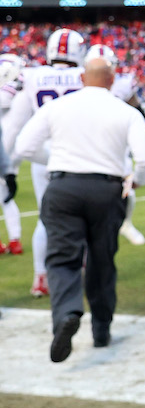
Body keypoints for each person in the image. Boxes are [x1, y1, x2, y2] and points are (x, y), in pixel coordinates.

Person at [14, 55, 145, 361]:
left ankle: (66, 313)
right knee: (102, 261)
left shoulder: (57, 106)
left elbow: (23, 146)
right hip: (107, 189)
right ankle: (101, 329)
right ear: (111, 79)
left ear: (82, 79)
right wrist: (137, 181)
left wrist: (55, 160)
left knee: (62, 259)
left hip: (64, 186)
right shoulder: (125, 110)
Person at [2, 28, 86, 298]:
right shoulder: (84, 76)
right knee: (83, 216)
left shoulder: (33, 76)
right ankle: (81, 270)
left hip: (44, 155)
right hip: (78, 153)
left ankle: (41, 278)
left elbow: (14, 126)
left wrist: (8, 169)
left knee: (44, 218)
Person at [86, 44, 145, 246]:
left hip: (116, 142)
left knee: (127, 188)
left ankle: (126, 223)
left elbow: (136, 106)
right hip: (88, 142)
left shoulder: (123, 84)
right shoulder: (81, 86)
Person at [0, 52, 24, 255]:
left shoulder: (12, 87)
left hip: (5, 148)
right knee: (7, 197)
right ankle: (14, 240)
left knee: (5, 196)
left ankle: (14, 240)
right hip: (15, 148)